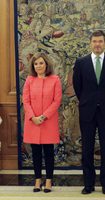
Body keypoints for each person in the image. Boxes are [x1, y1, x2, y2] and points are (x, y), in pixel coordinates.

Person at [73, 30, 105, 195]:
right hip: (87, 111)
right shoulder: (81, 62)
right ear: (90, 43)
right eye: (94, 41)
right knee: (87, 148)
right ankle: (88, 184)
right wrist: (88, 101)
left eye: (100, 41)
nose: (97, 44)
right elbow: (77, 87)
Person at [23, 52, 62, 193]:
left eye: (41, 63)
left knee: (49, 152)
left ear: (46, 64)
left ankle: (49, 180)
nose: (38, 66)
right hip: (32, 122)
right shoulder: (29, 80)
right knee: (36, 153)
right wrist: (33, 117)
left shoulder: (55, 79)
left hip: (48, 121)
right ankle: (37, 180)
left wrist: (44, 116)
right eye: (36, 63)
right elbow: (26, 101)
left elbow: (56, 101)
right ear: (33, 66)